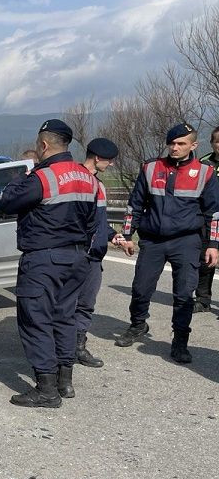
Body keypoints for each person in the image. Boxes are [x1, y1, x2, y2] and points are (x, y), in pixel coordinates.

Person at [0, 119, 98, 407]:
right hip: (78, 257)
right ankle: (65, 382)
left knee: (36, 319)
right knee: (65, 317)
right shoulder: (87, 177)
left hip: (44, 258)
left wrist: (24, 173)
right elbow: (93, 221)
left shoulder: (43, 177)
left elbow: (7, 201)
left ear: (43, 145)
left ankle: (46, 389)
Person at [116, 123, 219, 362]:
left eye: (181, 143)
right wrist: (128, 236)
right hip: (152, 240)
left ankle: (180, 341)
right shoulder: (151, 167)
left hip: (187, 241)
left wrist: (213, 244)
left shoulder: (205, 173)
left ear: (193, 145)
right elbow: (135, 204)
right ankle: (138, 325)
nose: (175, 147)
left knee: (184, 294)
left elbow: (213, 212)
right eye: (171, 143)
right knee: (141, 289)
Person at [74, 138, 122, 368]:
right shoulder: (77, 181)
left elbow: (99, 220)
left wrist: (114, 236)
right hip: (78, 255)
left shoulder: (99, 184)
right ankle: (62, 348)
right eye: (109, 160)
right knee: (67, 304)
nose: (111, 165)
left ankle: (78, 347)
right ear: (97, 158)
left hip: (94, 256)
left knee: (86, 304)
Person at [194, 126, 219, 312]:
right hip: (208, 220)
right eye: (217, 141)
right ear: (212, 143)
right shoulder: (203, 164)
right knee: (205, 260)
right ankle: (203, 300)